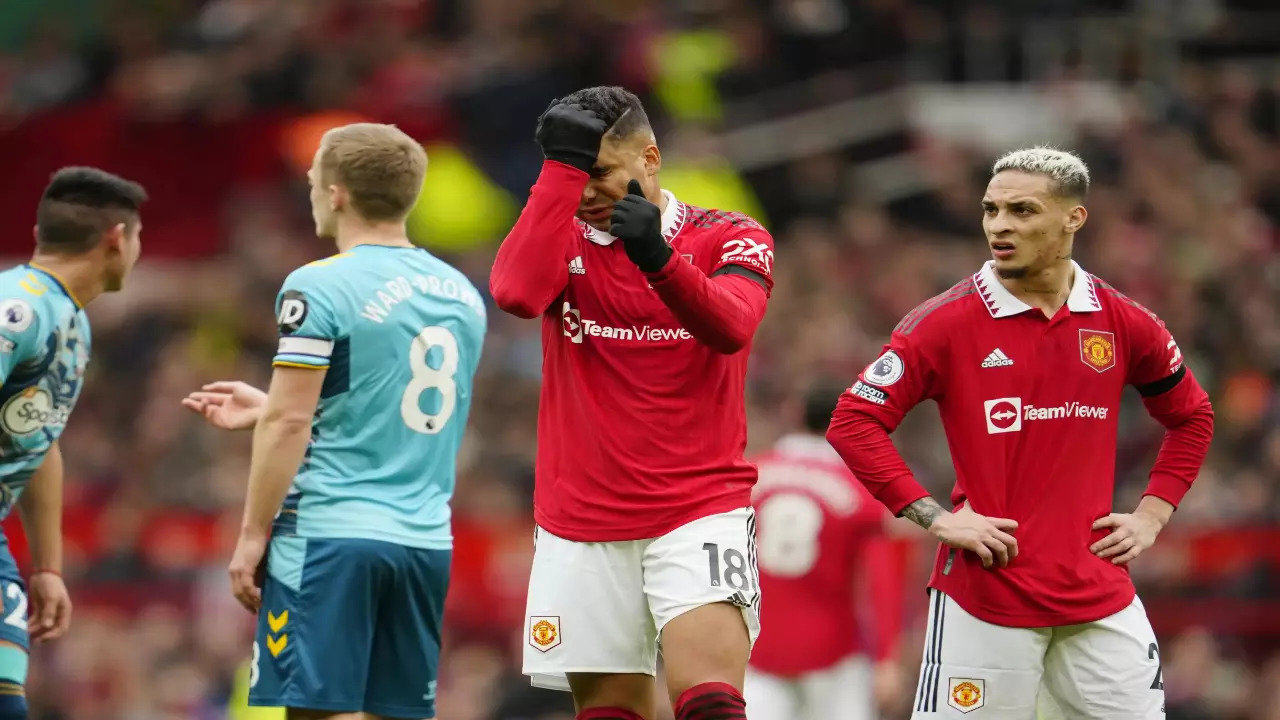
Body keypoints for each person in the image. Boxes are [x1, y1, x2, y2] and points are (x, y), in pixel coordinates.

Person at [826, 147, 1214, 719]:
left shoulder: (1122, 320)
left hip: (1098, 595)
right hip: (985, 600)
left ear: (1073, 219)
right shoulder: (945, 322)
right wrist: (932, 516)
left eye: (1023, 211)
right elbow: (854, 421)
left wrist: (1153, 514)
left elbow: (1192, 417)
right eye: (991, 210)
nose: (1000, 226)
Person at [182, 123, 486, 720]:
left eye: (315, 179)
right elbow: (398, 407)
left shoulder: (318, 284)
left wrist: (251, 536)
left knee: (316, 711)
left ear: (338, 192)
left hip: (330, 533)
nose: (311, 190)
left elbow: (292, 423)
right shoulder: (462, 294)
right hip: (423, 540)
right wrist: (268, 407)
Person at [490, 86, 776, 720]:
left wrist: (660, 260)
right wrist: (557, 176)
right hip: (581, 522)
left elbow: (732, 327)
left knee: (710, 705)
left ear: (650, 157)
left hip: (698, 508)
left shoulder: (729, 235)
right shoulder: (559, 238)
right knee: (611, 714)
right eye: (572, 176)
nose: (585, 193)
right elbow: (513, 293)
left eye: (597, 175)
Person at [0, 167, 146, 719]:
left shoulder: (72, 323)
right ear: (117, 238)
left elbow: (39, 441)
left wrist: (48, 566)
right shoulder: (20, 307)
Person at [744, 383, 906, 720]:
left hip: (754, 650)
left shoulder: (748, 476)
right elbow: (881, 581)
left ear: (794, 413)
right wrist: (886, 657)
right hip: (834, 655)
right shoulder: (861, 489)